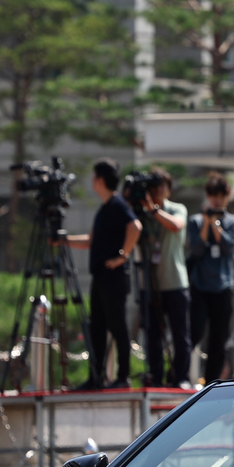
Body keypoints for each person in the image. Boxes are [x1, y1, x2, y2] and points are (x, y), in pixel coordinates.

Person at [66, 160, 142, 389]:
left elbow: (135, 227)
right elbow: (90, 241)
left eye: (94, 178)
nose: (92, 182)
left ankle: (122, 377)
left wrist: (123, 255)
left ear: (100, 180)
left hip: (114, 276)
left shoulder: (118, 204)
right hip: (101, 276)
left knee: (117, 326)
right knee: (96, 327)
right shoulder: (104, 208)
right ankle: (95, 377)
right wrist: (64, 240)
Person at [187, 171, 234, 384]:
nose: (216, 199)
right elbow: (197, 250)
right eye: (213, 194)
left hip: (223, 286)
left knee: (219, 339)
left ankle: (212, 381)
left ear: (227, 196)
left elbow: (229, 246)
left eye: (220, 195)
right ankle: (183, 375)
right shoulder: (195, 221)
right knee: (195, 332)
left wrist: (216, 226)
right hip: (200, 286)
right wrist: (206, 224)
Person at [139, 167, 191, 389]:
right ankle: (156, 377)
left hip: (175, 281)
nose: (158, 190)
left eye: (162, 186)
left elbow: (176, 225)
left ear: (168, 190)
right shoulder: (141, 212)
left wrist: (154, 212)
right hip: (150, 285)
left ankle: (181, 377)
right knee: (153, 337)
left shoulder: (177, 209)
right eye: (154, 186)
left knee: (180, 334)